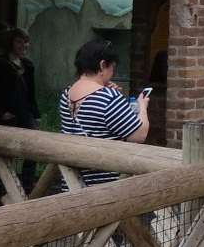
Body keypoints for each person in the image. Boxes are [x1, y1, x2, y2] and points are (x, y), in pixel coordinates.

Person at [59, 38, 150, 183]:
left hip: (72, 182)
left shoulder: (67, 94)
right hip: (104, 185)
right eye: (112, 68)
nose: (112, 73)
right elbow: (139, 134)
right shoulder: (108, 97)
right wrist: (142, 107)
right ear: (102, 65)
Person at [0, 26, 41, 193]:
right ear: (11, 42)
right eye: (19, 42)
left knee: (33, 151)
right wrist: (1, 112)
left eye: (26, 42)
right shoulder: (0, 64)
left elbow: (31, 92)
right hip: (8, 115)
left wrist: (36, 114)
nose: (23, 45)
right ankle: (2, 188)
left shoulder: (28, 65)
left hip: (25, 113)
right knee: (4, 153)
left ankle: (28, 186)